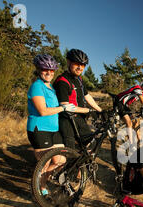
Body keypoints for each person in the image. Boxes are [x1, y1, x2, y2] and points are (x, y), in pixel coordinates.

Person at [26, 54, 78, 195]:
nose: (49, 73)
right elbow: (42, 111)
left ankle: (43, 181)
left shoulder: (51, 88)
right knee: (45, 162)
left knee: (60, 159)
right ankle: (40, 189)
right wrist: (63, 108)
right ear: (38, 69)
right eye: (45, 70)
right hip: (39, 129)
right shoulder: (37, 86)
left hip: (54, 129)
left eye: (52, 70)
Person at [53, 49, 102, 150]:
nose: (80, 67)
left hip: (79, 118)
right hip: (66, 119)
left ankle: (82, 164)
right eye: (77, 64)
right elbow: (65, 106)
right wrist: (89, 110)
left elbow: (87, 96)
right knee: (70, 149)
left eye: (83, 65)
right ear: (68, 62)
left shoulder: (79, 79)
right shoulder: (62, 81)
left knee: (89, 143)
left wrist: (100, 110)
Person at [114, 80, 143, 144]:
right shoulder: (137, 88)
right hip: (119, 102)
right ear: (142, 84)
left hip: (125, 105)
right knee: (129, 122)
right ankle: (130, 143)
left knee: (135, 122)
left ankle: (139, 140)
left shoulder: (142, 94)